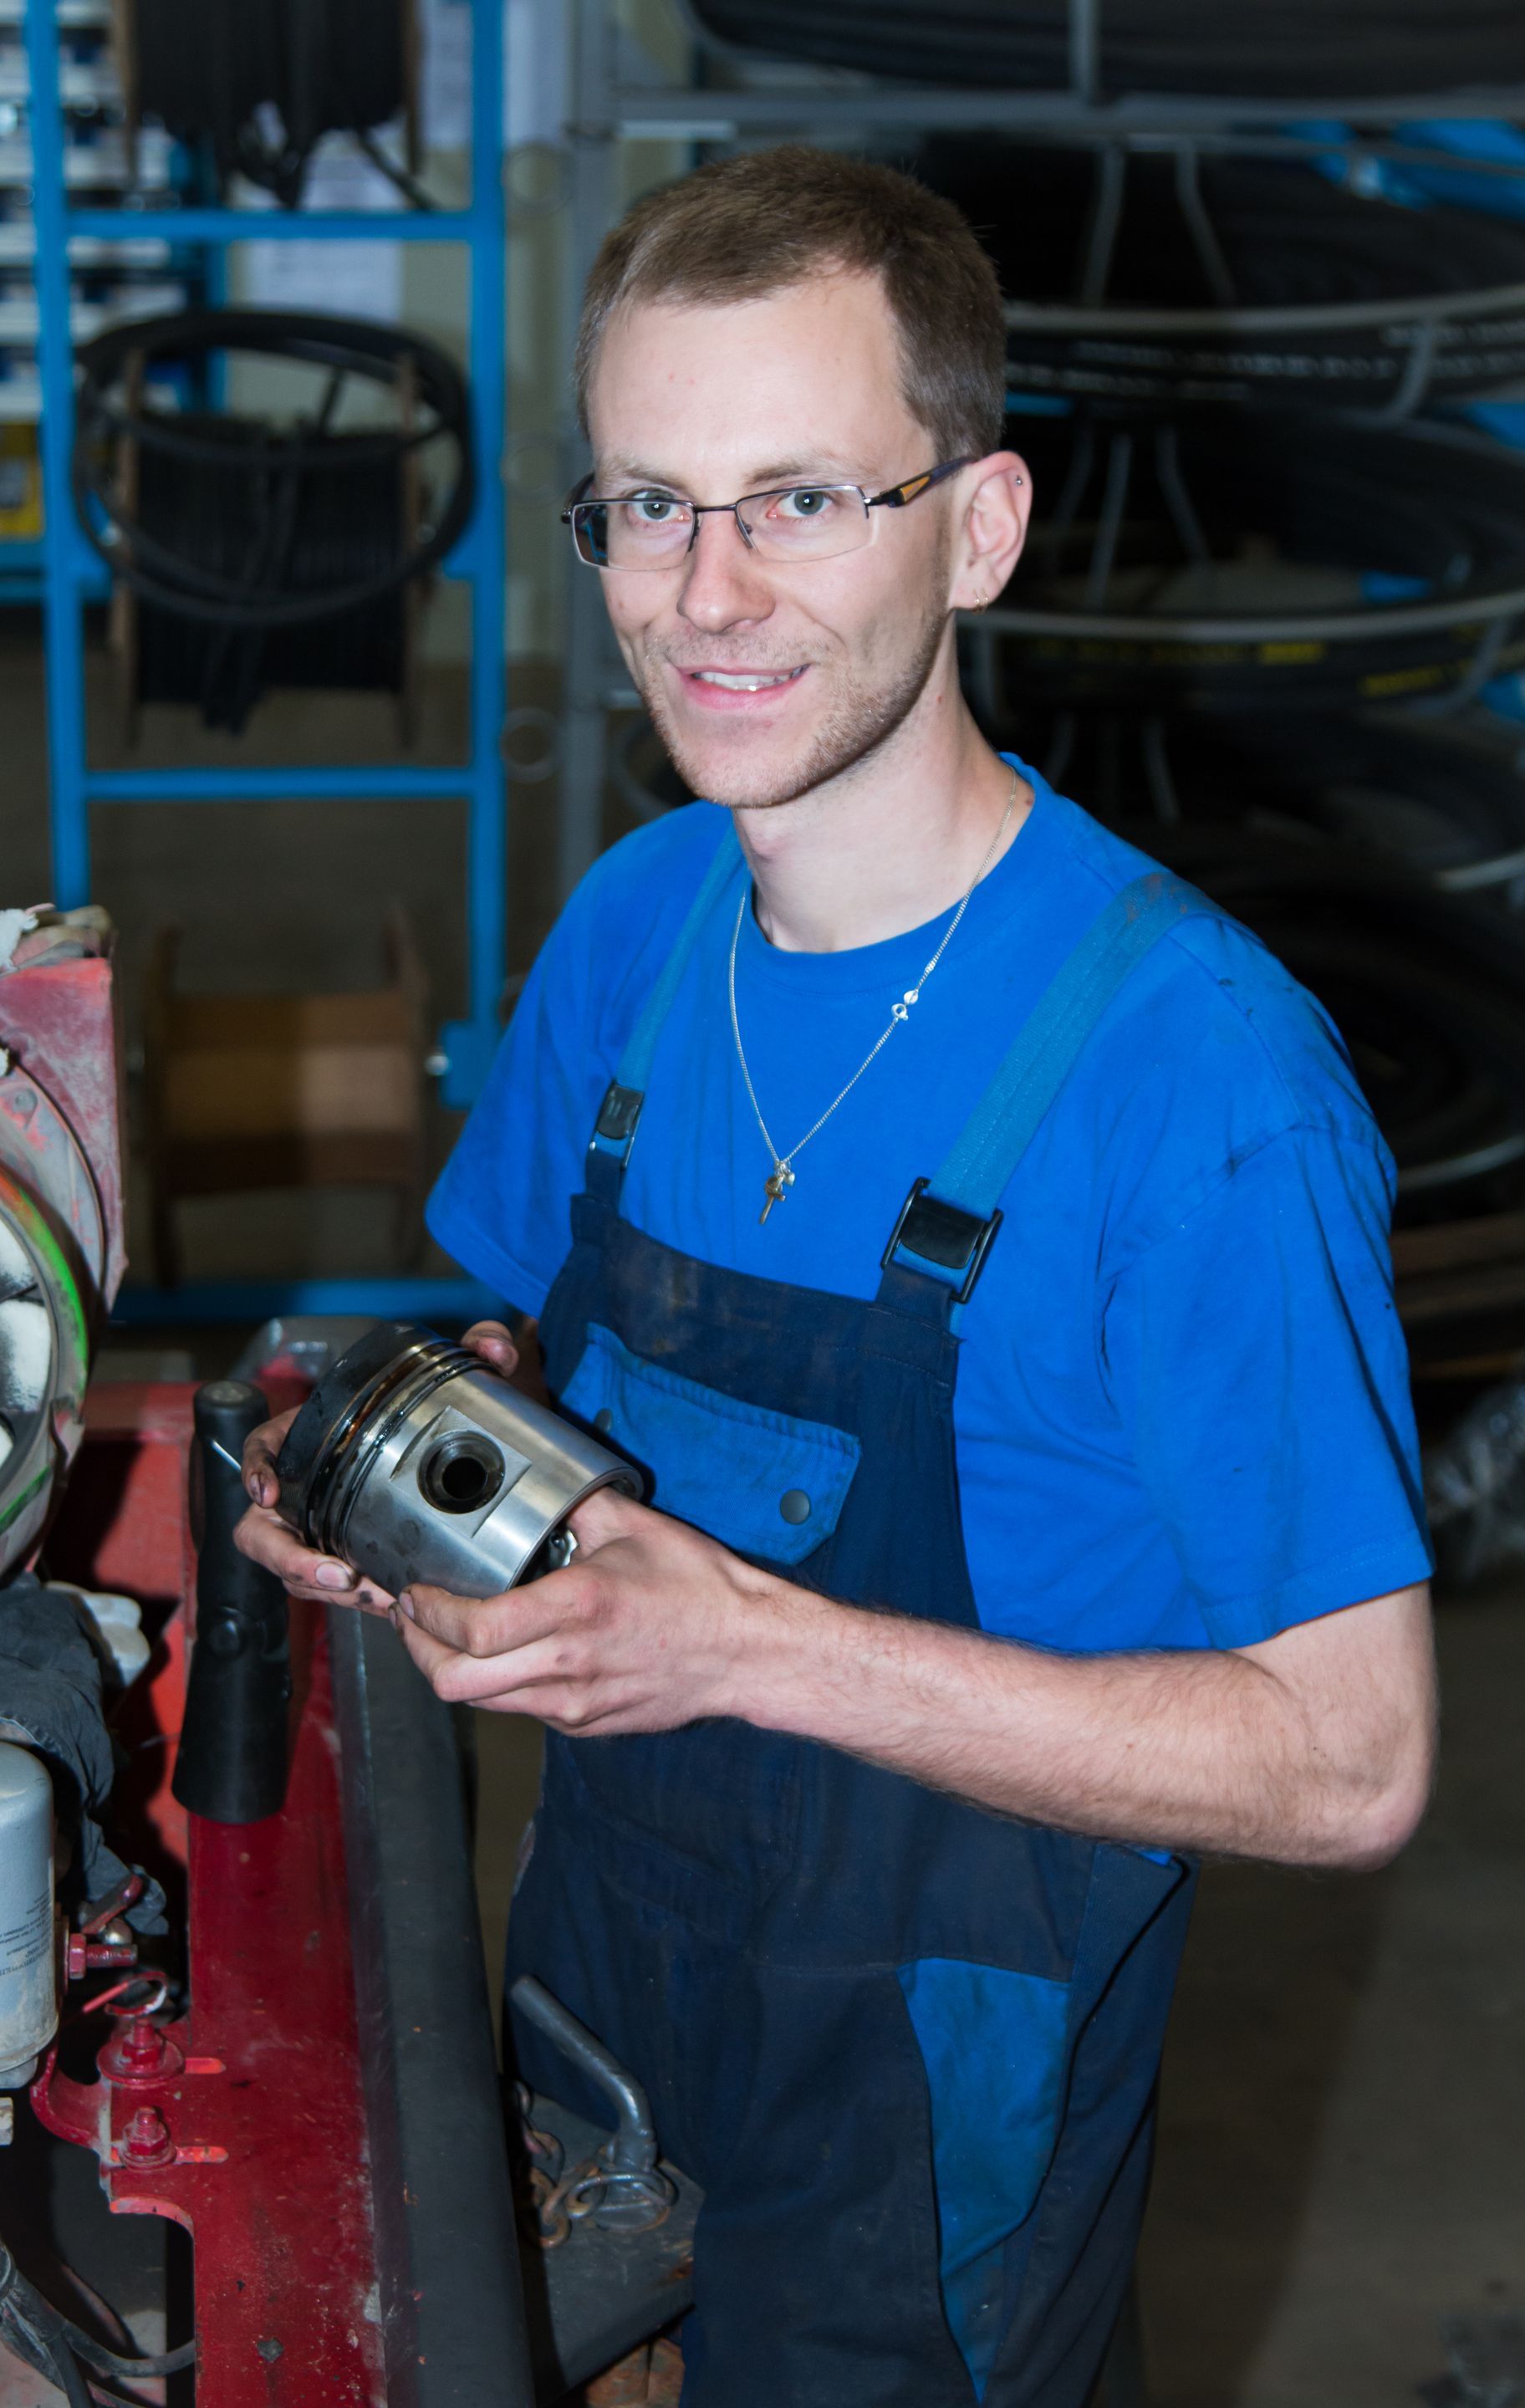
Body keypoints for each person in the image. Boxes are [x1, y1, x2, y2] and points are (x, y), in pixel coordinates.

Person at [236, 147, 1437, 2408]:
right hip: (597, 2014)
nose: (708, 596)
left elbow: (1350, 1761)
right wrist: (394, 1459)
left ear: (975, 530)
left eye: (802, 500)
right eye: (647, 505)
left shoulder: (1196, 1087)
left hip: (932, 2147)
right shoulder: (637, 923)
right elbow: (515, 1334)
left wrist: (743, 1645)